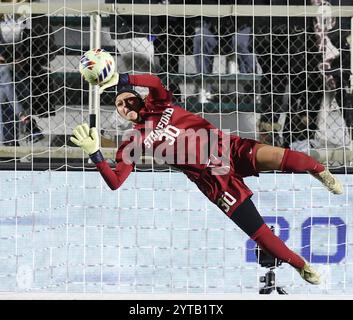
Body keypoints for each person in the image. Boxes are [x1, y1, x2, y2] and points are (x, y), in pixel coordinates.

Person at [71, 72, 344, 285]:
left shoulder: (160, 103)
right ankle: (301, 266)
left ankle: (320, 172)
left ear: (139, 98)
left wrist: (122, 79)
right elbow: (116, 181)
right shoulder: (132, 140)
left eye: (128, 98)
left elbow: (153, 81)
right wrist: (95, 154)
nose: (124, 105)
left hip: (227, 148)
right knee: (257, 231)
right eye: (118, 104)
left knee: (286, 158)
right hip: (214, 179)